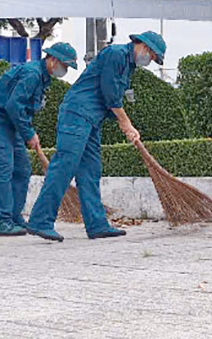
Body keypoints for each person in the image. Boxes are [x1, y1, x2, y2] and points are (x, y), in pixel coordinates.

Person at [26, 31, 166, 242]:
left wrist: (123, 123)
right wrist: (125, 122)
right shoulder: (116, 54)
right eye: (153, 57)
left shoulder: (128, 65)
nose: (150, 61)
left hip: (92, 119)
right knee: (65, 165)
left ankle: (97, 224)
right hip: (76, 114)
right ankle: (40, 220)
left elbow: (113, 98)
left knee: (90, 171)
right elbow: (109, 92)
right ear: (144, 47)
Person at [0, 42, 79, 236]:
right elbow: (14, 106)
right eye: (64, 66)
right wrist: (28, 133)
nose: (64, 70)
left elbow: (22, 108)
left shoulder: (42, 77)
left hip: (8, 122)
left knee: (22, 169)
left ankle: (14, 216)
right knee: (4, 167)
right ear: (53, 60)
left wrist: (28, 131)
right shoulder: (32, 74)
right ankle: (1, 221)